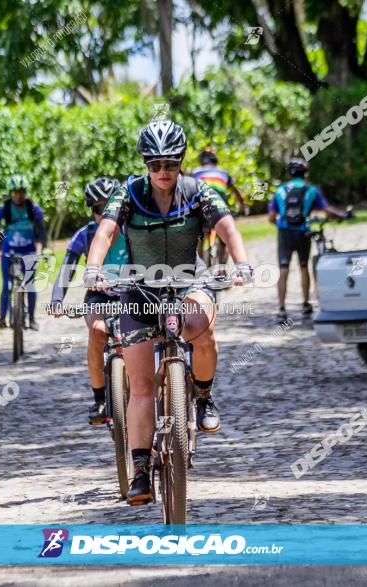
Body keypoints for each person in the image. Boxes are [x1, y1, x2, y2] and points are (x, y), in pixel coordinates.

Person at [84, 120, 253, 505]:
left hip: (188, 281)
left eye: (171, 164)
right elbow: (105, 232)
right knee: (140, 385)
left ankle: (204, 397)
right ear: (145, 163)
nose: (163, 171)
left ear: (181, 162)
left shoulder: (197, 192)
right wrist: (94, 269)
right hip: (140, 288)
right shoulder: (128, 192)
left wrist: (241, 263)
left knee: (202, 329)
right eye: (155, 163)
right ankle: (141, 470)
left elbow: (228, 227)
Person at [49, 177, 130, 426]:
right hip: (99, 295)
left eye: (109, 207)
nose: (104, 214)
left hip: (132, 293)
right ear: (91, 211)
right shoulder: (85, 235)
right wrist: (57, 299)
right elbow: (67, 267)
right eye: (98, 209)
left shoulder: (132, 229)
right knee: (97, 332)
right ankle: (100, 398)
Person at [268, 158, 347, 323]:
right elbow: (326, 210)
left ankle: (282, 309)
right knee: (304, 266)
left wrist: (282, 225)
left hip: (284, 233)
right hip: (303, 232)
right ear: (305, 173)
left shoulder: (280, 190)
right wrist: (342, 215)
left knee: (283, 269)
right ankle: (305, 304)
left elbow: (271, 217)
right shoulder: (312, 190)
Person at [0, 175, 48, 331]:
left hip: (28, 251)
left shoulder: (33, 208)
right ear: (10, 193)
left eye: (21, 192)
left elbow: (42, 230)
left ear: (25, 193)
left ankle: (32, 318)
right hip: (9, 251)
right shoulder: (5, 209)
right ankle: (2, 318)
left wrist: (44, 247)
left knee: (30, 284)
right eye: (15, 192)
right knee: (6, 285)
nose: (18, 196)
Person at [192, 147, 248, 267]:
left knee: (199, 238)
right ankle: (221, 270)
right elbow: (236, 192)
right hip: (220, 209)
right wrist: (242, 206)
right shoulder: (223, 172)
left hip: (201, 210)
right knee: (225, 239)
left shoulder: (195, 172)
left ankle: (199, 270)